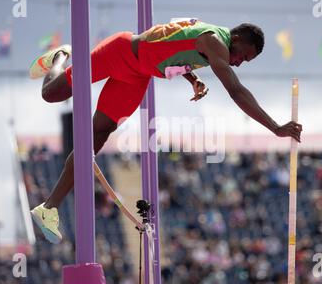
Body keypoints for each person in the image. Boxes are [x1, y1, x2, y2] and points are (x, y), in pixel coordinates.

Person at [29, 19, 303, 244]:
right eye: (244, 55)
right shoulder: (214, 42)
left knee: (96, 137)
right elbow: (236, 90)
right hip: (121, 52)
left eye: (245, 61)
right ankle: (60, 56)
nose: (239, 63)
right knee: (51, 93)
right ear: (238, 36)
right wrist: (275, 128)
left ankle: (49, 208)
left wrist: (192, 77)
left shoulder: (211, 45)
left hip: (137, 75)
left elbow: (170, 42)